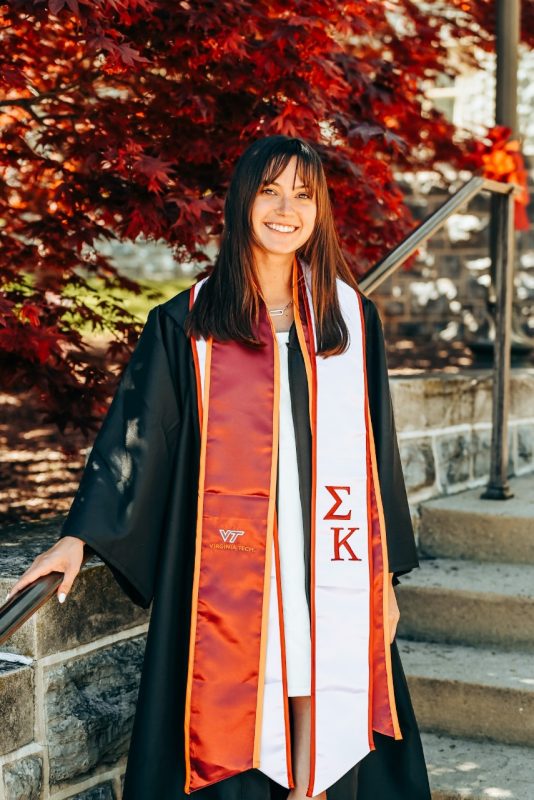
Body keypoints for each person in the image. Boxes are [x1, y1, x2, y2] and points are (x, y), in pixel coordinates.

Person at [6, 135, 432, 800]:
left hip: (329, 541)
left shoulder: (350, 320)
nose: (286, 209)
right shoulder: (189, 324)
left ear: (319, 210)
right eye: (270, 191)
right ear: (243, 203)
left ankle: (313, 789)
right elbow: (139, 437)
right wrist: (79, 534)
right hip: (235, 554)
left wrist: (385, 574)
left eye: (302, 194)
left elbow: (379, 450)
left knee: (320, 660)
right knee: (264, 659)